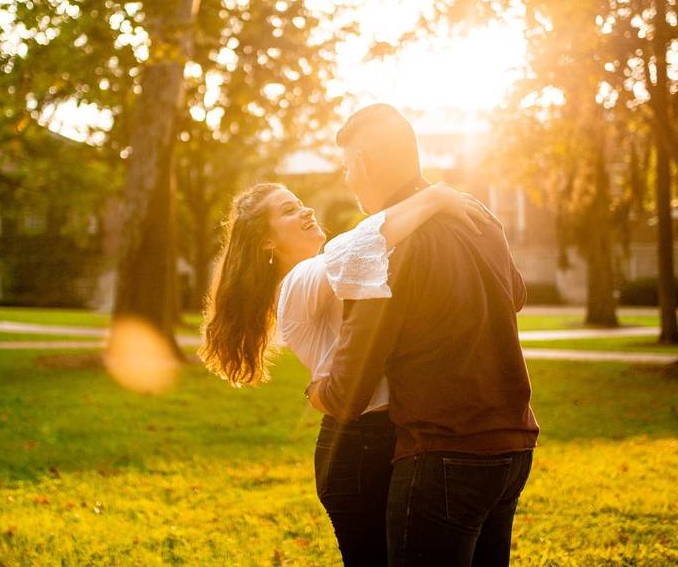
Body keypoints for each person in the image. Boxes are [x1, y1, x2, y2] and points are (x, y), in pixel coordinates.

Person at [199, 179, 493, 566]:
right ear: (267, 243)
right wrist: (435, 197)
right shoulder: (297, 283)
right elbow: (362, 244)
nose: (305, 211)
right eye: (288, 210)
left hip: (383, 434)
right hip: (356, 447)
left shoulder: (334, 277)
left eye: (301, 203)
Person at [308, 103, 540, 567]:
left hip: (444, 453)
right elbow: (515, 293)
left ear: (365, 163)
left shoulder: (382, 245)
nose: (348, 181)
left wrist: (318, 391)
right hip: (513, 448)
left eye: (347, 166)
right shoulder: (479, 217)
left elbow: (351, 392)